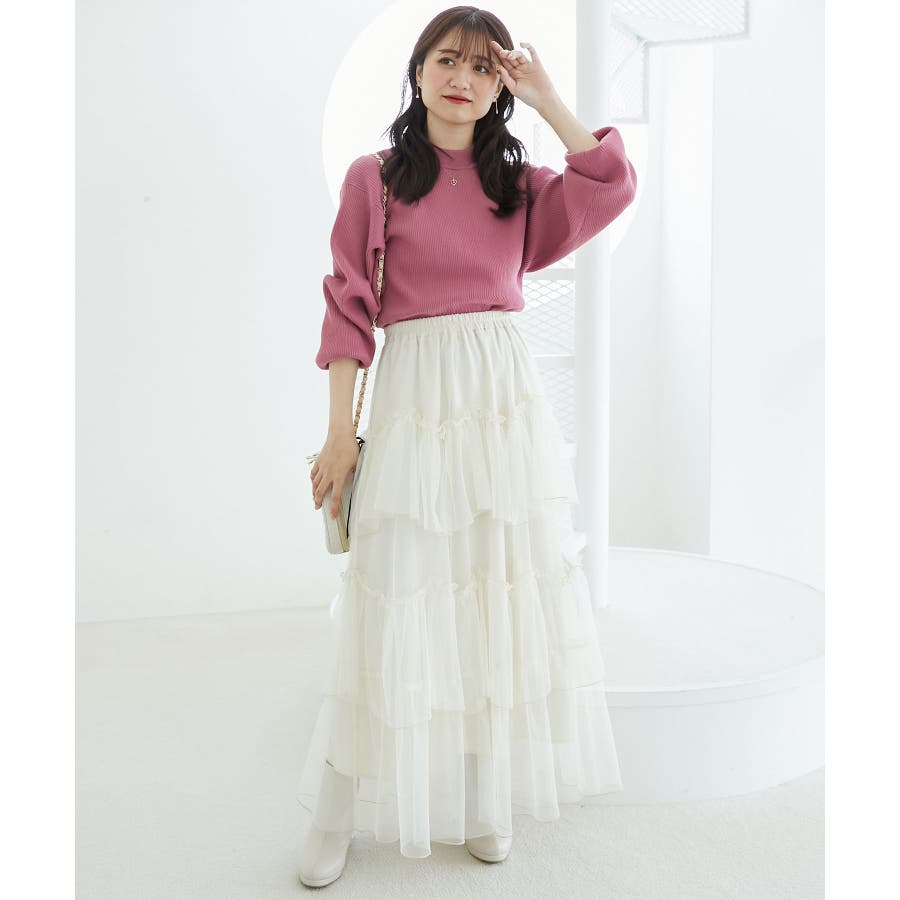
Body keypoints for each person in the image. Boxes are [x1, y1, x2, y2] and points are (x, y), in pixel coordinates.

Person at [298, 5, 637, 889]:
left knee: (495, 587)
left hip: (499, 401)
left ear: (501, 87)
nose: (463, 79)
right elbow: (348, 308)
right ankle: (335, 809)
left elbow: (611, 182)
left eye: (485, 69)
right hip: (415, 396)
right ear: (418, 71)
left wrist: (549, 97)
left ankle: (488, 795)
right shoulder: (375, 179)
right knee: (394, 592)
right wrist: (339, 436)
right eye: (448, 61)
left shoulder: (517, 185)